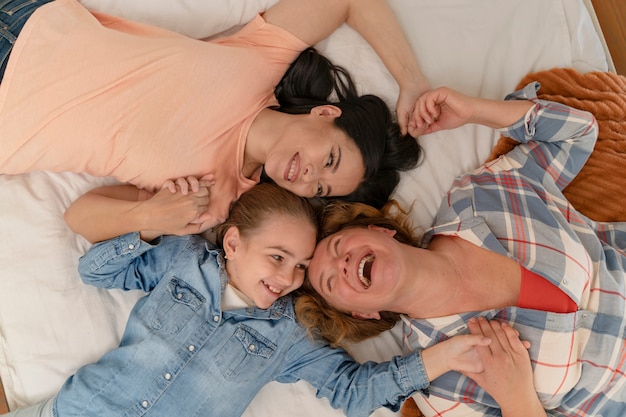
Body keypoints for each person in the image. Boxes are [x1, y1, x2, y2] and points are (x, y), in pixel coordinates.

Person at [6, 182, 495, 417]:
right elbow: (95, 269)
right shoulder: (182, 259)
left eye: (301, 266)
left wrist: (443, 356)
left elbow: (353, 391)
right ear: (234, 243)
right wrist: (155, 221)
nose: (288, 277)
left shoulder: (292, 332)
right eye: (278, 257)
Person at [296, 83, 626, 417]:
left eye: (339, 246)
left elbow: (577, 133)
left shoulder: (475, 198)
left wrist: (473, 110)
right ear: (363, 314)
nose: (343, 263)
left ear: (380, 230)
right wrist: (517, 399)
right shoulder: (441, 387)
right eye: (330, 281)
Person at [0, 0, 427, 237]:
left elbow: (80, 216)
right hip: (28, 20)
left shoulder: (217, 197)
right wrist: (411, 82)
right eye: (329, 159)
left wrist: (147, 217)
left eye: (319, 187)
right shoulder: (263, 60)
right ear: (325, 113)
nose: (309, 175)